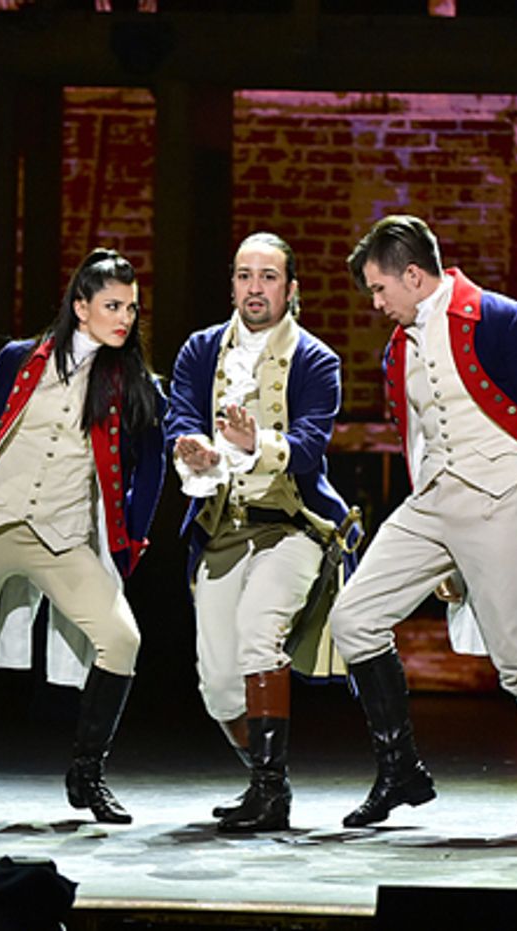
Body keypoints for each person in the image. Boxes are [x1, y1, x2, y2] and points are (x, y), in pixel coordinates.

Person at [328, 214, 517, 831]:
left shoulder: (501, 319)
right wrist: (443, 555)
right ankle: (401, 773)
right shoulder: (400, 346)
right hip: (435, 502)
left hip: (502, 499)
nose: (375, 301)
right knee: (353, 617)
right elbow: (420, 437)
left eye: (379, 288)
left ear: (412, 276)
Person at [0, 248, 165, 824]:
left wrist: (135, 532)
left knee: (122, 640)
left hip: (61, 533)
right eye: (112, 305)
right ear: (80, 307)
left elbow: (153, 465)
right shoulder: (20, 359)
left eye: (131, 308)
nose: (124, 318)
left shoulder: (133, 384)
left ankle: (87, 775)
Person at [166, 232, 356, 833]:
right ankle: (266, 777)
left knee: (257, 635)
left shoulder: (316, 360)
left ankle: (270, 793)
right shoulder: (200, 351)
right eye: (245, 275)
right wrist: (192, 451)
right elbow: (180, 417)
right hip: (223, 527)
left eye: (268, 277)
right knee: (220, 685)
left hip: (292, 525)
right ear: (232, 285)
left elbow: (308, 448)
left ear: (291, 289)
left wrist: (255, 445)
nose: (255, 287)